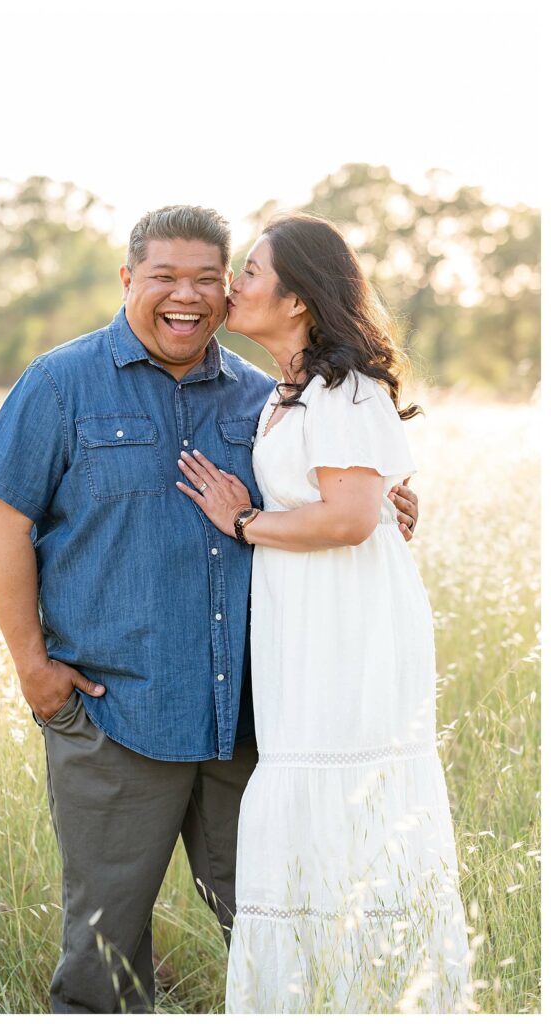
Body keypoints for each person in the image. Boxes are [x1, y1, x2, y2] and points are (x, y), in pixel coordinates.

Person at [0, 206, 420, 1013]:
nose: (189, 295)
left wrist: (387, 504)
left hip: (251, 726)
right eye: (166, 276)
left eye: (211, 278)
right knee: (103, 959)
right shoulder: (60, 383)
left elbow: (331, 490)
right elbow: (4, 522)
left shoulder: (264, 397)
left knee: (276, 935)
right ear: (127, 279)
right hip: (113, 718)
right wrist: (33, 669)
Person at [176, 214, 471, 1013]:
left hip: (345, 628)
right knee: (311, 800)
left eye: (250, 271)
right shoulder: (298, 391)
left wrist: (242, 522)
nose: (234, 285)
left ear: (298, 298)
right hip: (308, 621)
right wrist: (376, 508)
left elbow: (344, 520)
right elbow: (355, 504)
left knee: (344, 792)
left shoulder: (341, 388)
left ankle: (371, 996)